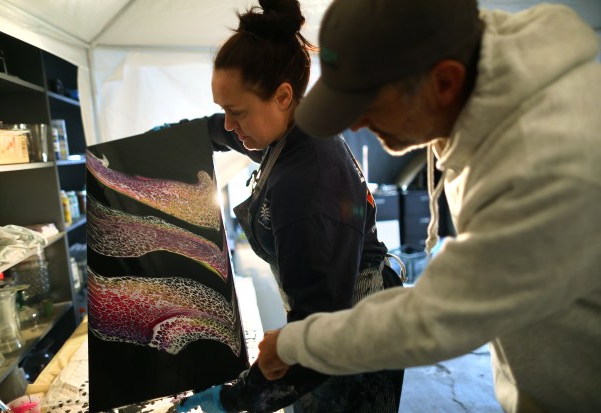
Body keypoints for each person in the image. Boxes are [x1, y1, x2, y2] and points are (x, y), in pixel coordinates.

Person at [256, 0, 601, 412]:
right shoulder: (479, 66)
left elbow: (434, 319)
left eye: (368, 105)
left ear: (444, 83)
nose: (357, 124)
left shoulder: (546, 163)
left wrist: (296, 343)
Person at [175, 0, 405, 412]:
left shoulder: (307, 184)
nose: (229, 124)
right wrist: (187, 135)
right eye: (221, 110)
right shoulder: (294, 129)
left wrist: (235, 398)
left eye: (236, 111)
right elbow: (230, 132)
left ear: (283, 96)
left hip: (351, 349)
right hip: (333, 317)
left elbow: (316, 336)